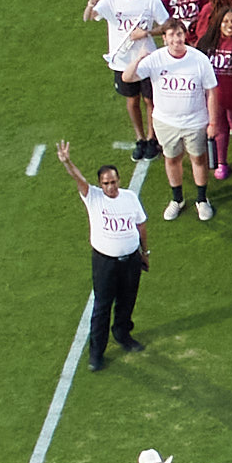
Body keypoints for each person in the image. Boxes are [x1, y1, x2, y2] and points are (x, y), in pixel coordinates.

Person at [65, 155, 152, 368]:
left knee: (127, 299)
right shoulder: (93, 197)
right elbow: (79, 179)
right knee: (102, 306)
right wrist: (67, 162)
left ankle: (122, 334)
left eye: (113, 182)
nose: (111, 186)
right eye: (106, 183)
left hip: (130, 260)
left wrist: (144, 252)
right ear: (100, 184)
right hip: (105, 263)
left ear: (119, 180)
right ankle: (96, 352)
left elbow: (140, 225)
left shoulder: (130, 197)